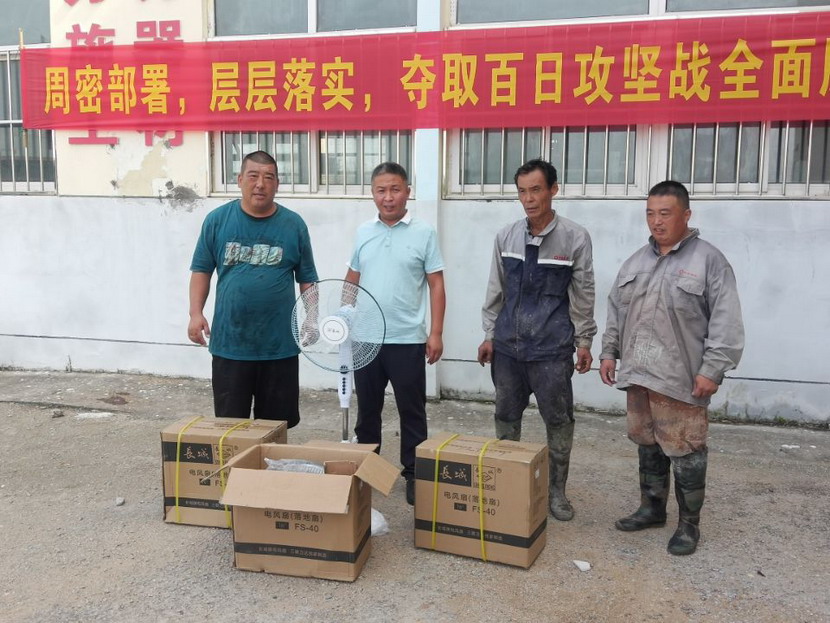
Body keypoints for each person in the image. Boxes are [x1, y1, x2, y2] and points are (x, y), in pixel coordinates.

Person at [599, 180, 744, 556]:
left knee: (686, 451)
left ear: (686, 215)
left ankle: (688, 525)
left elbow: (726, 320)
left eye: (665, 213)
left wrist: (713, 369)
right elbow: (616, 311)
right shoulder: (636, 262)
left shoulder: (709, 261)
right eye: (650, 213)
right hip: (639, 375)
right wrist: (609, 352)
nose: (656, 221)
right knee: (647, 444)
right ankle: (652, 509)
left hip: (681, 379)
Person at [477, 159, 596, 522]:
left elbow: (583, 293)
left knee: (558, 420)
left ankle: (556, 491)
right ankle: (507, 486)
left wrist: (584, 341)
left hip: (551, 351)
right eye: (522, 192)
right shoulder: (506, 236)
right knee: (505, 417)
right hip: (508, 350)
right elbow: (495, 289)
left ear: (553, 190)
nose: (528, 199)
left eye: (536, 190)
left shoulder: (575, 238)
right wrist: (489, 335)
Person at [188, 150, 318, 427]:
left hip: (279, 346)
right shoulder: (217, 220)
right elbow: (201, 270)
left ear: (277, 184)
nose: (260, 184)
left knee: (275, 428)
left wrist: (313, 316)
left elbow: (307, 277)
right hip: (230, 345)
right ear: (239, 180)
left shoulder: (293, 225)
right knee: (231, 427)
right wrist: (195, 313)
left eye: (268, 177)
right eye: (253, 176)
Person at [345, 162, 446, 505]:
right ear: (373, 194)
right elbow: (352, 279)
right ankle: (366, 469)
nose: (388, 197)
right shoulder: (364, 232)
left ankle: (414, 473)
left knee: (412, 411)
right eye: (381, 190)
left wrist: (435, 332)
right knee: (367, 411)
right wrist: (343, 317)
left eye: (395, 189)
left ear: (407, 192)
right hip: (366, 338)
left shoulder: (424, 232)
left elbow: (436, 284)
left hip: (407, 339)